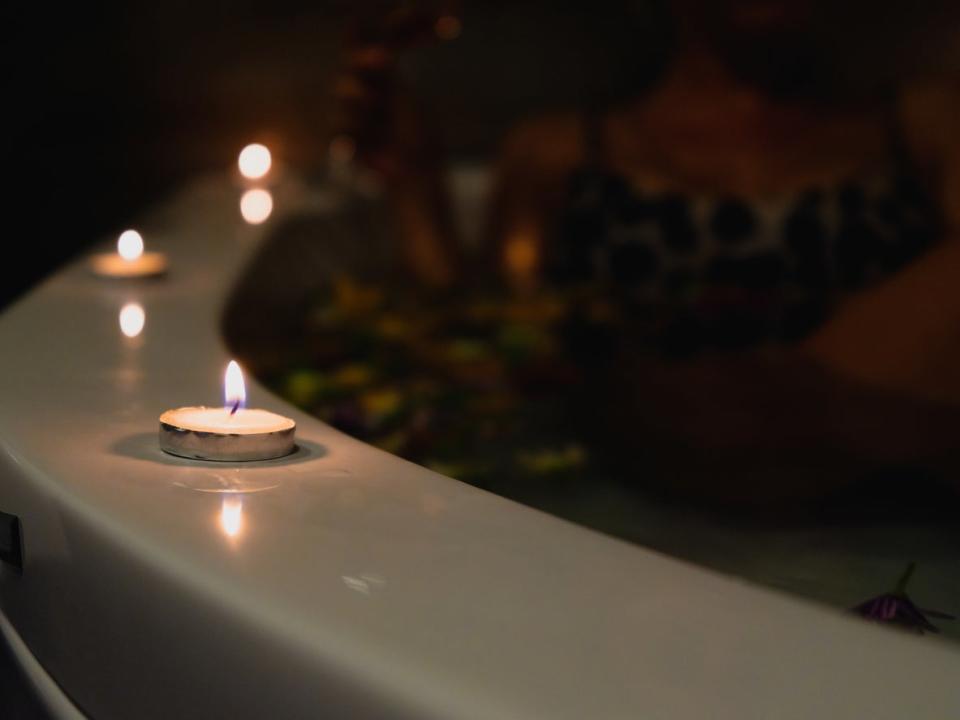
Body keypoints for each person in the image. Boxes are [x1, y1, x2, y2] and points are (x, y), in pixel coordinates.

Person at [333, 0, 960, 504]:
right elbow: (491, 352)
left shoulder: (924, 126)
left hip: (884, 507)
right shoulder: (561, 156)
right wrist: (415, 191)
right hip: (637, 502)